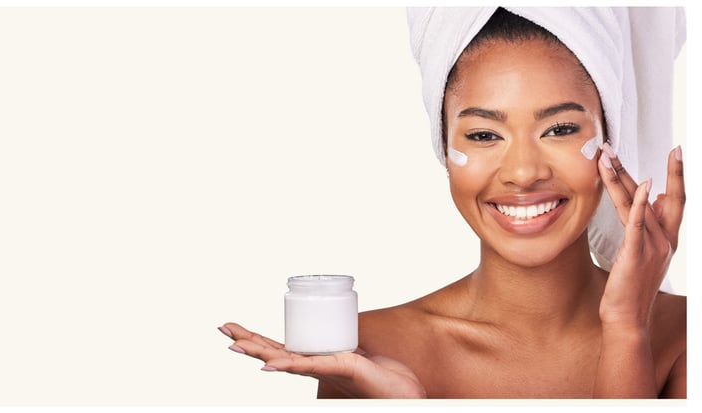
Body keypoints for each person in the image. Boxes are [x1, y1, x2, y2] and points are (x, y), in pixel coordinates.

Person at [218, 7, 686, 398]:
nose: (523, 172)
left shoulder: (685, 336)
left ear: (610, 139)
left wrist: (627, 329)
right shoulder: (370, 350)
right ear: (443, 147)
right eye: (484, 135)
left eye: (560, 129)